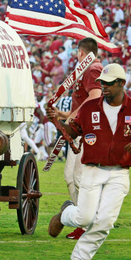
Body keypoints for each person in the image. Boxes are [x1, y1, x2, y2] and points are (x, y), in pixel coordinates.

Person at [48, 64, 131, 260]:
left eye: (110, 84)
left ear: (122, 83)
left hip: (120, 172)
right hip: (92, 169)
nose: (104, 87)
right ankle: (65, 213)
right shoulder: (88, 107)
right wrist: (57, 120)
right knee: (84, 218)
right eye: (102, 83)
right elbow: (72, 133)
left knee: (105, 221)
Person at [45, 37, 103, 240]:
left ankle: (87, 222)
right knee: (71, 176)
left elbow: (95, 96)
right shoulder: (87, 69)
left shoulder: (92, 68)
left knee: (79, 177)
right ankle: (83, 218)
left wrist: (73, 115)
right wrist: (61, 115)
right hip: (80, 129)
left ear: (81, 53)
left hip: (88, 131)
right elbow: (81, 104)